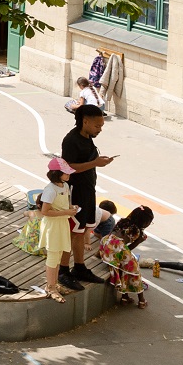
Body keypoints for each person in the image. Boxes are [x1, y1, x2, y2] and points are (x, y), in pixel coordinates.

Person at [60, 104, 114, 287]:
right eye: (97, 126)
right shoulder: (71, 140)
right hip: (75, 192)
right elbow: (67, 167)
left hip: (88, 190)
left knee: (82, 230)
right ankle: (63, 270)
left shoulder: (87, 138)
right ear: (85, 121)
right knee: (72, 232)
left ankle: (80, 266)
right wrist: (95, 163)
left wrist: (97, 161)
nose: (99, 130)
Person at [37, 159, 80, 301]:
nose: (68, 175)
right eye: (66, 173)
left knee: (60, 253)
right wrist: (66, 212)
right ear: (57, 174)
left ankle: (53, 284)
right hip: (53, 226)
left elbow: (67, 203)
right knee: (53, 256)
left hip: (62, 224)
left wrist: (71, 208)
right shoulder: (50, 190)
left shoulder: (65, 185)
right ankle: (50, 287)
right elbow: (45, 211)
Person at [100, 204, 154, 307]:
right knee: (134, 270)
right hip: (117, 249)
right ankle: (141, 300)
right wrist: (139, 241)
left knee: (123, 268)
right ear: (145, 222)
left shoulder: (122, 221)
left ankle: (125, 297)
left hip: (106, 245)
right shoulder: (136, 231)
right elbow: (127, 248)